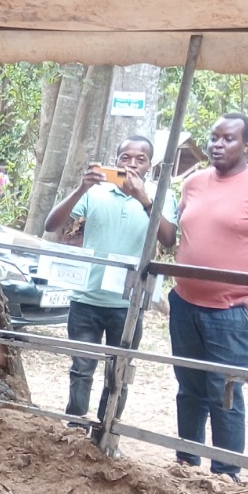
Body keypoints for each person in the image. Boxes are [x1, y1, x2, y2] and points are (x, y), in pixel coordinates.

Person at [157, 114, 248, 480]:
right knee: (189, 388)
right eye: (214, 137)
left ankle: (225, 475)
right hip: (185, 306)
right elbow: (179, 236)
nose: (217, 145)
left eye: (228, 139)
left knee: (224, 394)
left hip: (233, 313)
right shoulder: (193, 183)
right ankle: (186, 466)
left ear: (247, 144)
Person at [43, 136, 155, 429]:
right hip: (86, 298)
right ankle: (75, 429)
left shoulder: (158, 197)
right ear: (115, 161)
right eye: (125, 158)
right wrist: (82, 187)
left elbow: (168, 239)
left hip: (128, 304)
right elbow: (52, 224)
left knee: (118, 373)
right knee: (81, 369)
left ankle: (106, 433)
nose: (132, 164)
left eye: (140, 159)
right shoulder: (95, 192)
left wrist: (145, 199)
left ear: (150, 165)